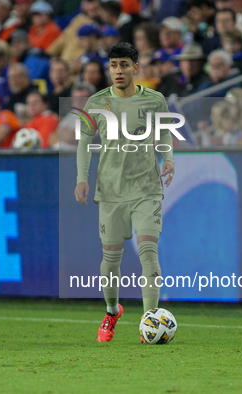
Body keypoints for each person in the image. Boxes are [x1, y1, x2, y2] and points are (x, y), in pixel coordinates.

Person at [74, 42, 175, 343]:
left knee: (148, 253)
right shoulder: (96, 102)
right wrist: (82, 178)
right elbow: (83, 142)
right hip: (110, 191)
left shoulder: (154, 100)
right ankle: (111, 310)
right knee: (111, 262)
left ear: (136, 68)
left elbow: (165, 132)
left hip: (146, 188)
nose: (118, 71)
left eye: (124, 65)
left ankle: (150, 321)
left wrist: (168, 157)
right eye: (114, 65)